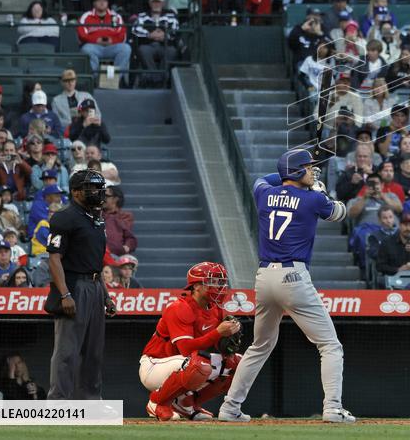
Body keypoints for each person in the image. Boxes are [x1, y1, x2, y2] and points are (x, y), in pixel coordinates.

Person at [220, 149, 355, 424]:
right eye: (308, 167)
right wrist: (319, 190)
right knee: (330, 345)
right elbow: (340, 212)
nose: (312, 171)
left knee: (259, 346)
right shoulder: (313, 199)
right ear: (296, 171)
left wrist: (294, 176)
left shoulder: (263, 192)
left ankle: (230, 407)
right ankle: (333, 408)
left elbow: (264, 179)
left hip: (264, 278)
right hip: (294, 277)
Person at [139, 262, 243, 421]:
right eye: (213, 282)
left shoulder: (216, 309)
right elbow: (185, 349)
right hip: (154, 365)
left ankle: (187, 405)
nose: (219, 287)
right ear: (196, 286)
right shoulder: (180, 307)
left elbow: (214, 345)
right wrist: (218, 332)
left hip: (185, 364)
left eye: (220, 282)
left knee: (238, 364)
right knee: (198, 363)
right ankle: (157, 402)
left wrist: (228, 340)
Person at [46, 170, 116, 400]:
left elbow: (94, 264)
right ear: (76, 192)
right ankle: (58, 403)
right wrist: (65, 294)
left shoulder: (96, 218)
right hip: (74, 286)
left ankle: (91, 402)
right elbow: (54, 258)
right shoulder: (64, 217)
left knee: (93, 351)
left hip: (95, 286)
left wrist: (106, 295)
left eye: (99, 187)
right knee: (67, 351)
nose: (97, 192)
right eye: (91, 187)